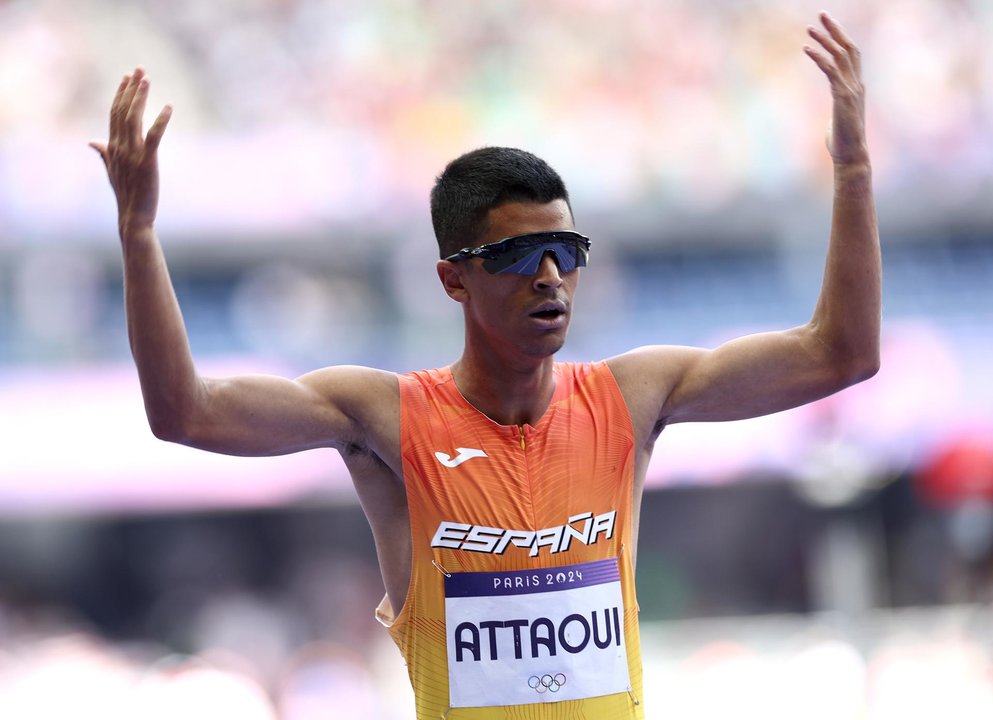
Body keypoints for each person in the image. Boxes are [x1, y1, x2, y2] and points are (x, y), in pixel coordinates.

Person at [91, 11, 879, 720]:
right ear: (452, 277)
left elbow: (839, 353)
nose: (547, 276)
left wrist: (850, 171)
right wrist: (137, 232)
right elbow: (185, 413)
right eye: (514, 255)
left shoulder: (633, 397)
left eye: (565, 251)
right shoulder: (383, 417)